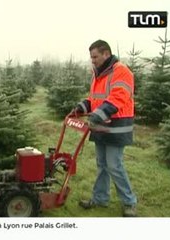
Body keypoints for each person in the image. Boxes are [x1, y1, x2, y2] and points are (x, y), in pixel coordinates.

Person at [70, 39, 137, 217]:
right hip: (99, 125)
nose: (93, 60)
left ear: (106, 54)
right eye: (91, 57)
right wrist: (81, 108)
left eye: (95, 57)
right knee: (102, 165)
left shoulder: (121, 71)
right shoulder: (97, 73)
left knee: (114, 165)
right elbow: (94, 98)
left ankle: (129, 202)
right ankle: (100, 198)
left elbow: (118, 97)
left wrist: (99, 114)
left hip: (116, 126)